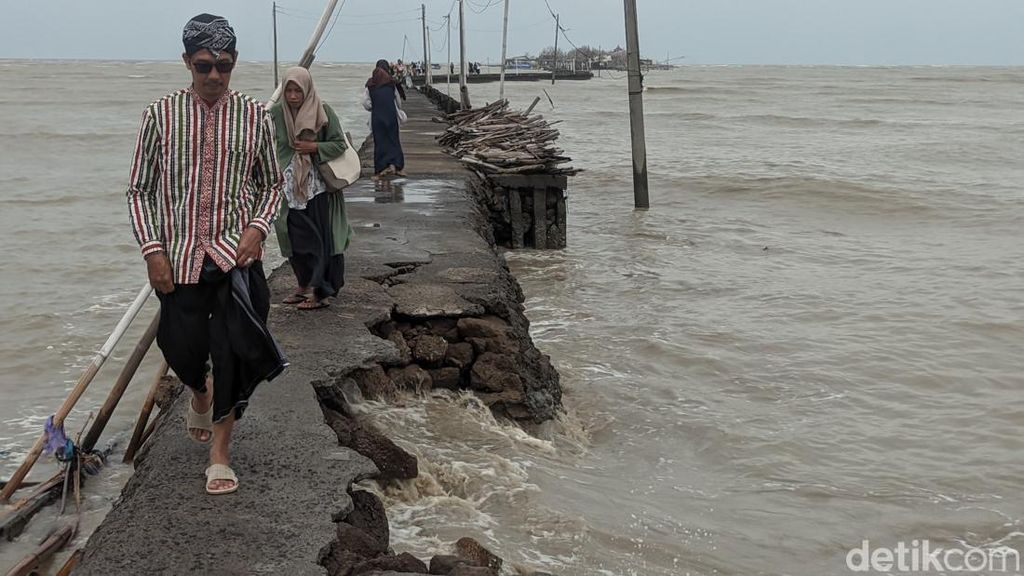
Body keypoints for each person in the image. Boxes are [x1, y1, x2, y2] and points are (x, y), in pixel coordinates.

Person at [126, 13, 287, 495]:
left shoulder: (256, 115)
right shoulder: (160, 115)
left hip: (236, 257)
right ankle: (199, 390)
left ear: (234, 64)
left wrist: (258, 228)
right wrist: (153, 251)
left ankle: (220, 452)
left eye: (224, 65)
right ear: (187, 63)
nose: (215, 75)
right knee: (181, 347)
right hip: (178, 258)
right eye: (204, 66)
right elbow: (138, 190)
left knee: (235, 352)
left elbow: (272, 183)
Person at [269, 67, 353, 310]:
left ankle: (321, 292)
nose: (293, 96)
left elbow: (339, 144)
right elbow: (264, 141)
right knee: (293, 239)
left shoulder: (322, 111)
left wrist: (314, 147)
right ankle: (303, 284)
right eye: (289, 91)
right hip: (289, 188)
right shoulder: (275, 113)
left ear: (307, 90)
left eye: (298, 91)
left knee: (319, 241)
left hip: (317, 188)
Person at [362, 59, 406, 179]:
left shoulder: (370, 85)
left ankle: (380, 169)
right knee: (393, 140)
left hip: (377, 117)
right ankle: (396, 166)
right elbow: (398, 102)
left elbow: (365, 103)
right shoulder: (391, 83)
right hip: (391, 116)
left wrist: (375, 106)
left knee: (380, 142)